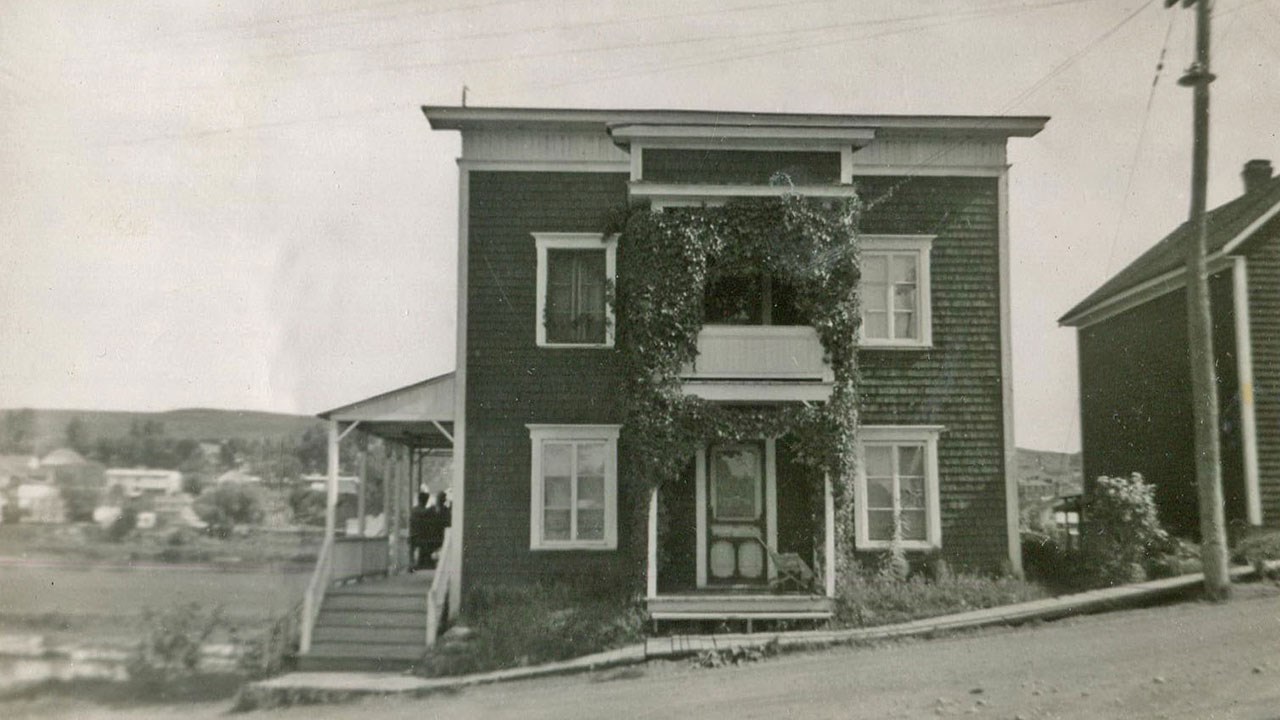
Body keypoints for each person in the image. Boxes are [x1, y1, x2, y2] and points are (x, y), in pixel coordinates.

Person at [422, 491, 449, 568]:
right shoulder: (445, 510)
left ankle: (430, 562)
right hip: (439, 535)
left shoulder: (431, 509)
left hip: (433, 535)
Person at [409, 491, 432, 571]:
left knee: (413, 547)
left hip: (413, 536)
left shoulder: (413, 510)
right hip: (422, 537)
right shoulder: (426, 512)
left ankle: (412, 564)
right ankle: (421, 563)